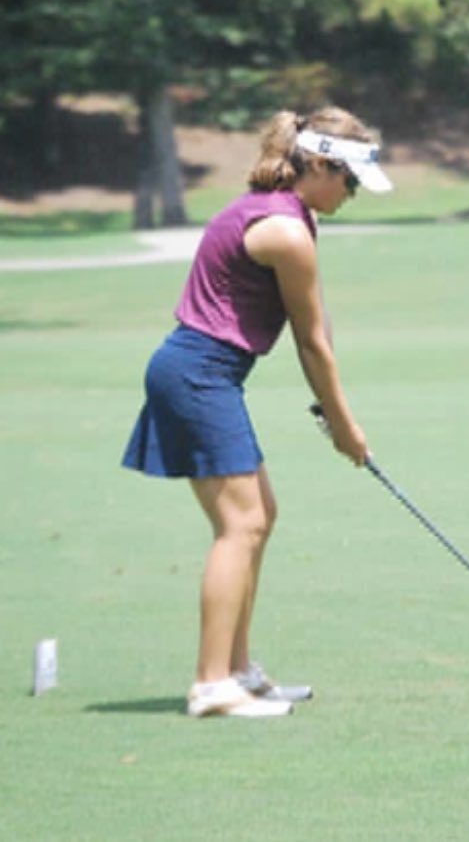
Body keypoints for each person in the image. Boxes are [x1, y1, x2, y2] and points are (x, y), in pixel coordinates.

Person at [122, 106, 392, 718]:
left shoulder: (278, 212)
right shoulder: (286, 232)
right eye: (347, 180)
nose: (351, 195)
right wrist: (344, 427)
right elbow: (312, 341)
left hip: (203, 374)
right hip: (198, 375)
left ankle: (238, 671)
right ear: (319, 164)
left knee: (257, 517)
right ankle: (212, 684)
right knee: (240, 525)